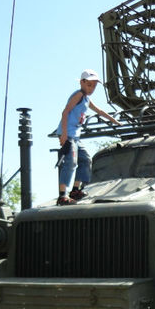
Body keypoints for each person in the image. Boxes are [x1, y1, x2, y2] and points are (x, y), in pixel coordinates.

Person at [55, 69, 121, 206]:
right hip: (69, 133)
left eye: (94, 86)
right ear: (82, 82)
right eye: (89, 85)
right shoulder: (79, 95)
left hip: (76, 136)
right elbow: (65, 111)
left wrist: (114, 120)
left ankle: (75, 189)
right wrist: (64, 134)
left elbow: (99, 111)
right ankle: (62, 195)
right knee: (71, 162)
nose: (91, 89)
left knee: (85, 159)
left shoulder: (86, 99)